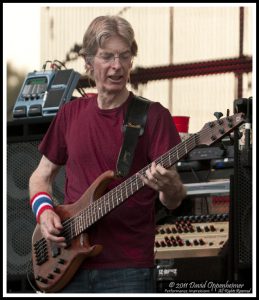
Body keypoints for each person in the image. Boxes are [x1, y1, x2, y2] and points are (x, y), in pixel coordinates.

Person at [29, 15, 186, 293]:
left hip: (129, 268)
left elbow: (172, 201)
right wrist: (43, 213)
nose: (117, 66)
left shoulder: (153, 116)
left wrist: (172, 187)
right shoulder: (69, 114)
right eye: (107, 57)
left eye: (124, 57)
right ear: (89, 63)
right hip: (67, 264)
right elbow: (40, 176)